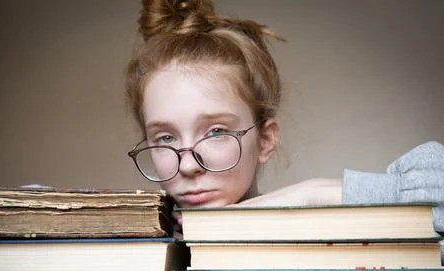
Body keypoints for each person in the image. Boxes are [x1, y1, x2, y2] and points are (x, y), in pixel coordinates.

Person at [126, 0, 444, 234]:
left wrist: (310, 195)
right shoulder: (119, 252)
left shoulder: (315, 229)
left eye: (215, 131)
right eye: (166, 137)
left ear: (265, 140)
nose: (188, 165)